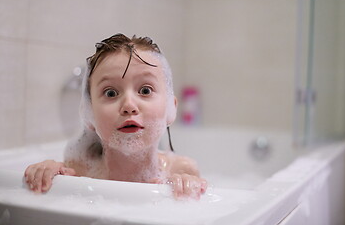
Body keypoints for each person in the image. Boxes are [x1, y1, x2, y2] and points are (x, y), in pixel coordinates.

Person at [24, 33, 207, 199]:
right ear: (88, 113)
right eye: (111, 93)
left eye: (145, 90)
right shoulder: (78, 168)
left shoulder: (180, 169)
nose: (128, 105)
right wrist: (47, 171)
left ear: (171, 109)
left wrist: (187, 185)